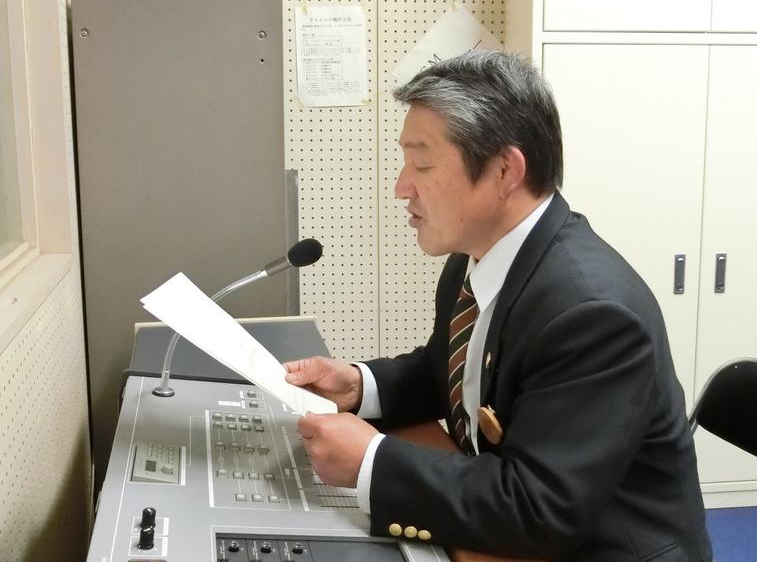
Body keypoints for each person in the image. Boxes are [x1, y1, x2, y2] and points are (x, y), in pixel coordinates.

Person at [284, 50, 713, 561]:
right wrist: (360, 386)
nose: (401, 187)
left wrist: (371, 462)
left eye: (422, 164)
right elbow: (451, 371)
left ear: (505, 170)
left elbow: (539, 507)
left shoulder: (592, 313)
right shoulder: (476, 256)